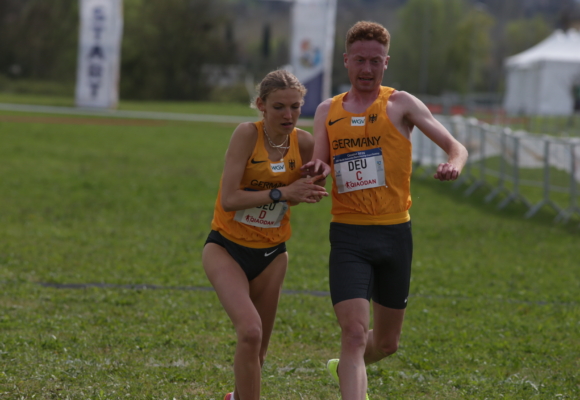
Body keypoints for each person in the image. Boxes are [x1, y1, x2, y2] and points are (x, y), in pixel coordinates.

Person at [301, 21, 468, 399]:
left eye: (375, 61)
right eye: (360, 60)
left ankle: (345, 368)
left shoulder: (401, 104)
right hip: (349, 234)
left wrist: (454, 164)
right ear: (346, 60)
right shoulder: (328, 110)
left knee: (387, 343)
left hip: (395, 235)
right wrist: (318, 170)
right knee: (354, 334)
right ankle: (352, 372)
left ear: (386, 63)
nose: (367, 69)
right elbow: (321, 164)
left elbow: (456, 147)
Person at [202, 69, 328, 400]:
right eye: (279, 107)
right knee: (250, 331)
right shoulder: (247, 134)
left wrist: (315, 182)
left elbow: (304, 194)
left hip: (272, 256)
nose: (288, 115)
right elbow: (230, 199)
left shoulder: (304, 143)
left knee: (257, 354)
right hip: (227, 249)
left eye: (295, 107)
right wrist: (281, 192)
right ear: (261, 105)